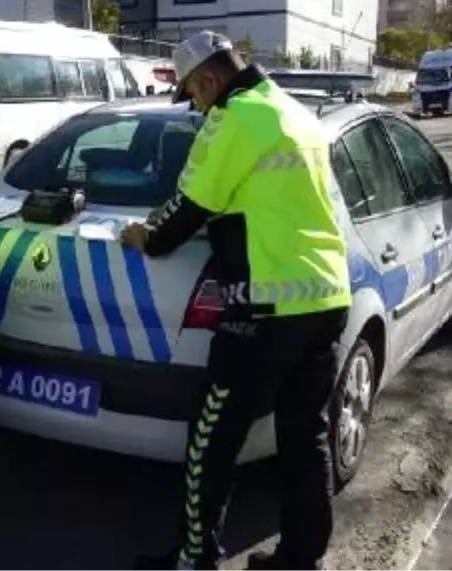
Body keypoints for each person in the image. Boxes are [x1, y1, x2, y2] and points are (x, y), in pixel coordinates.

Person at [122, 31, 352, 571]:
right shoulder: (293, 111)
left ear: (209, 79)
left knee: (211, 438)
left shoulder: (234, 117)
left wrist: (147, 238)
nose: (196, 108)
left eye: (193, 96)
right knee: (305, 439)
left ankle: (192, 559)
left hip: (264, 307)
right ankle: (300, 560)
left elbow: (188, 207)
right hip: (325, 297)